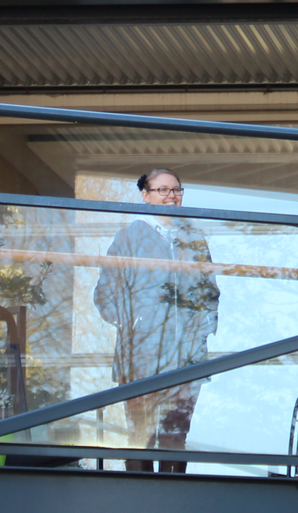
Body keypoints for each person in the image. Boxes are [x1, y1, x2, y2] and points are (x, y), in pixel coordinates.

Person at [92, 168, 220, 473]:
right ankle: (138, 501)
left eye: (176, 190)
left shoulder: (194, 239)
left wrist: (203, 330)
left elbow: (210, 292)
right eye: (162, 190)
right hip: (142, 355)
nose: (171, 196)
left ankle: (173, 501)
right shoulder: (129, 237)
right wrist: (134, 326)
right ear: (145, 195)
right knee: (140, 436)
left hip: (187, 354)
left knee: (176, 435)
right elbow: (105, 293)